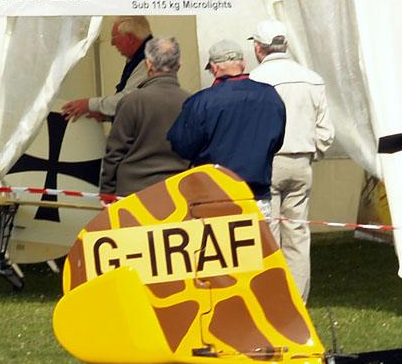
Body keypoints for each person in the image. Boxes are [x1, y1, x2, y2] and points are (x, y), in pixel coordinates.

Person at [249, 20, 334, 303]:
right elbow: (325, 131)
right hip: (301, 161)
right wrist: (313, 152)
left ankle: (273, 301)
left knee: (268, 231)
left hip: (268, 162)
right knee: (297, 233)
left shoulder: (256, 79)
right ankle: (298, 298)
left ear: (259, 48)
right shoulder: (311, 77)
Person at [167, 39, 286, 219]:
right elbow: (277, 140)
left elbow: (182, 145)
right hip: (256, 196)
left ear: (215, 67)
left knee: (215, 247)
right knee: (257, 247)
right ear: (243, 63)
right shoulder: (270, 96)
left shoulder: (201, 102)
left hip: (214, 196)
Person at [100, 37, 190, 197]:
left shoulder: (131, 102)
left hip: (133, 194)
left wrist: (107, 192)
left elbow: (114, 153)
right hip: (178, 192)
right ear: (179, 65)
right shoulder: (191, 104)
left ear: (148, 64)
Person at [62, 16, 154, 121]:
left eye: (114, 38)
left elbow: (128, 101)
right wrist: (108, 115)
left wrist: (88, 104)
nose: (112, 43)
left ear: (130, 38)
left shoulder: (149, 62)